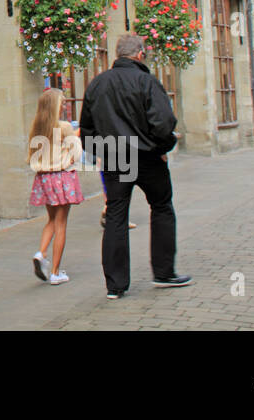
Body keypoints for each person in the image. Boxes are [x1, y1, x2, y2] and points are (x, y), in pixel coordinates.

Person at [79, 33, 191, 298]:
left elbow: (86, 129)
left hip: (116, 157)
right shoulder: (146, 82)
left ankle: (115, 285)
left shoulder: (98, 84)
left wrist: (101, 152)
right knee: (162, 207)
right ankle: (164, 273)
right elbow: (164, 123)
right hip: (148, 156)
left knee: (116, 215)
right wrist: (163, 148)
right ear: (140, 54)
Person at [27, 87, 83, 285]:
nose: (65, 105)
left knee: (50, 220)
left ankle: (41, 253)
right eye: (63, 102)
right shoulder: (64, 127)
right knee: (61, 224)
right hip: (61, 177)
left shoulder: (37, 127)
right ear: (56, 106)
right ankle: (56, 272)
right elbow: (76, 153)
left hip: (44, 178)